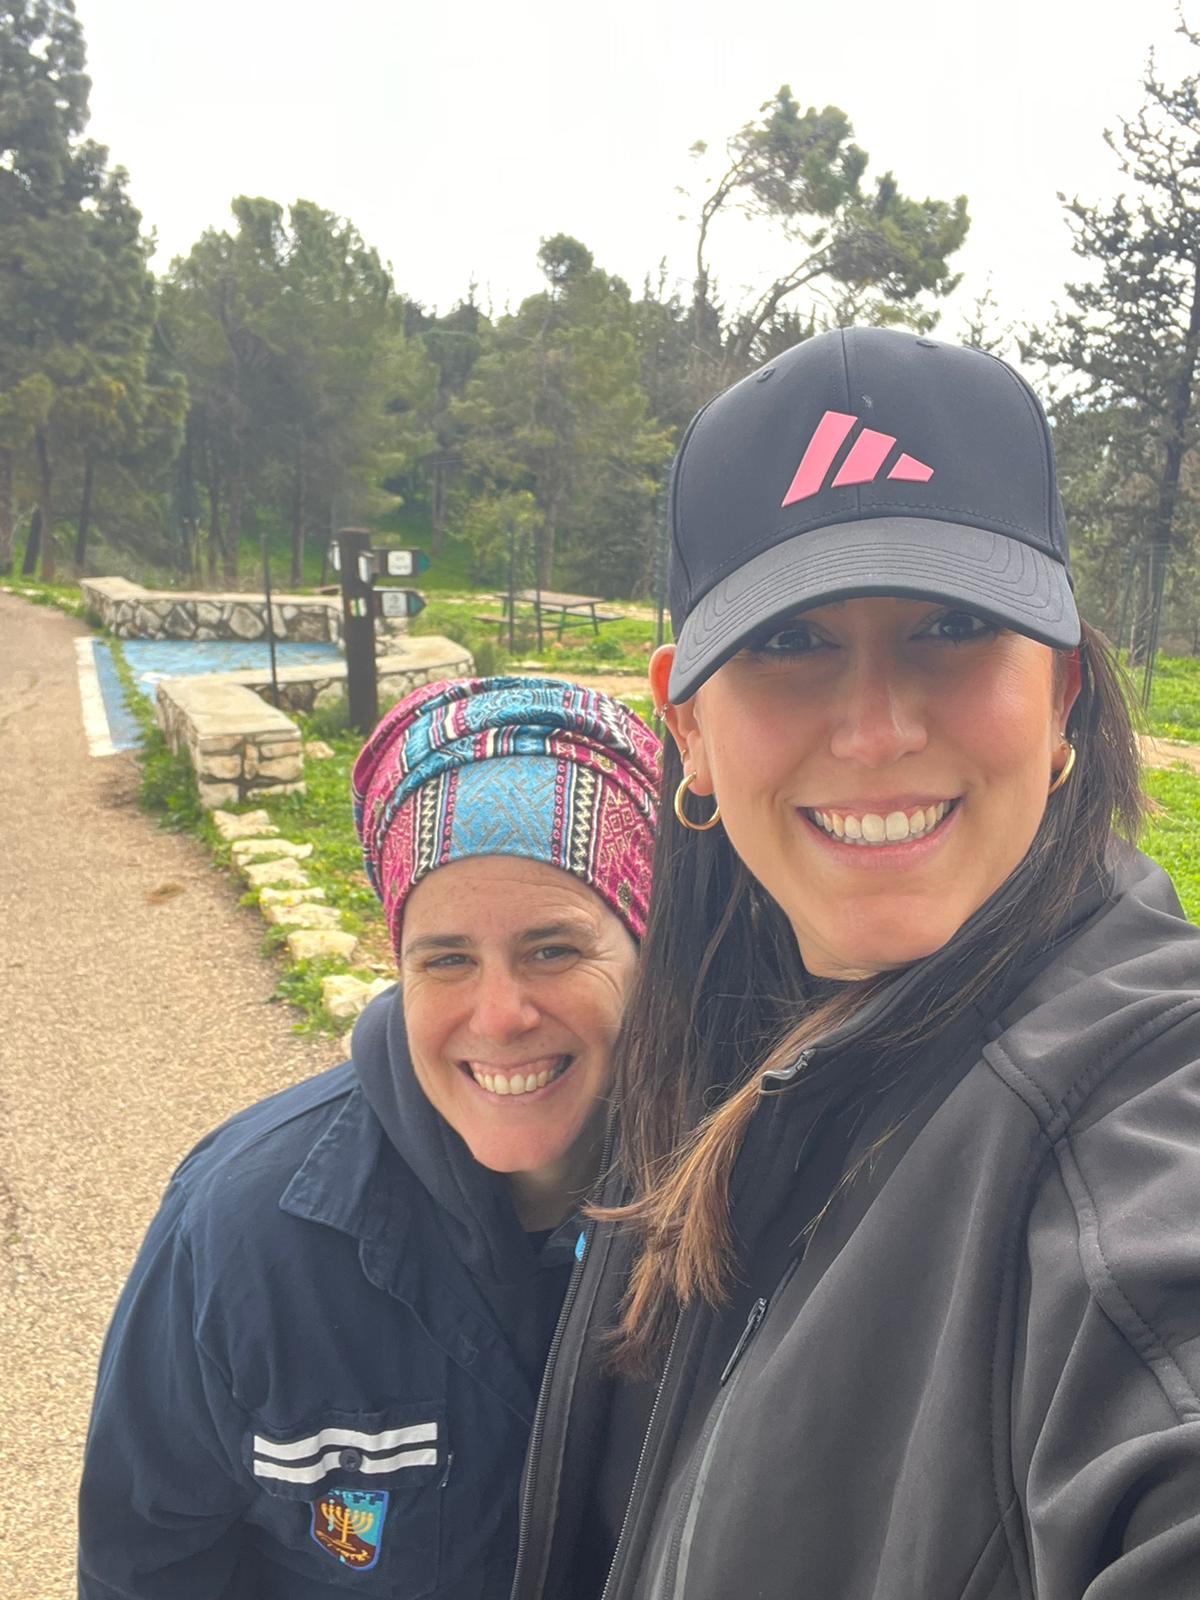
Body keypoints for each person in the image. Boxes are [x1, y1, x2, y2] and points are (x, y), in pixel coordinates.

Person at [510, 328, 1200, 1600]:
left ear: (1062, 693)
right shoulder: (722, 1026)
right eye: (791, 642)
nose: (877, 730)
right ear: (686, 725)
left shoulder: (1137, 1106)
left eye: (954, 625)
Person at [78, 676, 659, 1598]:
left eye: (553, 949)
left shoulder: (752, 1198)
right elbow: (145, 1557)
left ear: (647, 951)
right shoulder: (239, 1230)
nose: (499, 1015)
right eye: (447, 959)